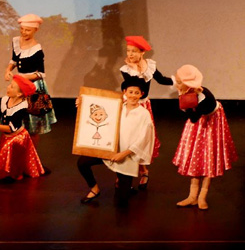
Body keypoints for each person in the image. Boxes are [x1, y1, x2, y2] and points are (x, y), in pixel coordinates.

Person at [77, 76, 155, 208]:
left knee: (122, 201)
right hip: (109, 149)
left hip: (127, 156)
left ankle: (124, 185)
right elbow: (97, 110)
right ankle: (94, 189)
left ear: (141, 94)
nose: (133, 95)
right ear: (124, 92)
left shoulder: (144, 114)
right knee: (82, 163)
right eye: (130, 92)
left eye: (136, 93)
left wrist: (123, 153)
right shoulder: (117, 107)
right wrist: (82, 103)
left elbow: (144, 138)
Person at [172, 64, 237, 210]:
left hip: (211, 124)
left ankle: (202, 196)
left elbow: (194, 117)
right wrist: (183, 99)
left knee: (208, 158)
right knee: (195, 156)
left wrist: (183, 102)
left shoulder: (204, 97)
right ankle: (192, 196)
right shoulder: (188, 92)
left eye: (179, 82)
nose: (176, 85)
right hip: (198, 124)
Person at [4, 13, 57, 172]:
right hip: (19, 86)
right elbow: (14, 60)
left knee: (33, 126)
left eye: (27, 30)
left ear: (35, 30)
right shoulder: (16, 41)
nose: (23, 33)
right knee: (16, 122)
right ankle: (16, 159)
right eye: (22, 29)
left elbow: (41, 73)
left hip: (34, 88)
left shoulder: (37, 49)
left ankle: (31, 160)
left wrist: (23, 77)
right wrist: (8, 70)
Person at [119, 35, 173, 190]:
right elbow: (137, 86)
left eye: (134, 51)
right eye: (128, 51)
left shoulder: (149, 65)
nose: (130, 54)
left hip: (144, 106)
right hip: (130, 104)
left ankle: (143, 171)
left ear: (142, 52)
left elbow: (161, 80)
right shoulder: (126, 69)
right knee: (128, 138)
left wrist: (179, 81)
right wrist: (135, 69)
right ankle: (122, 175)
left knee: (141, 138)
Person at [0, 75, 45, 183]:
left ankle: (12, 172)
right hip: (7, 135)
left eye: (12, 86)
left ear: (19, 94)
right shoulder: (5, 100)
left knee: (9, 149)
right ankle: (2, 168)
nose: (8, 87)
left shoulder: (22, 107)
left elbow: (11, 128)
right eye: (10, 85)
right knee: (3, 150)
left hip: (17, 137)